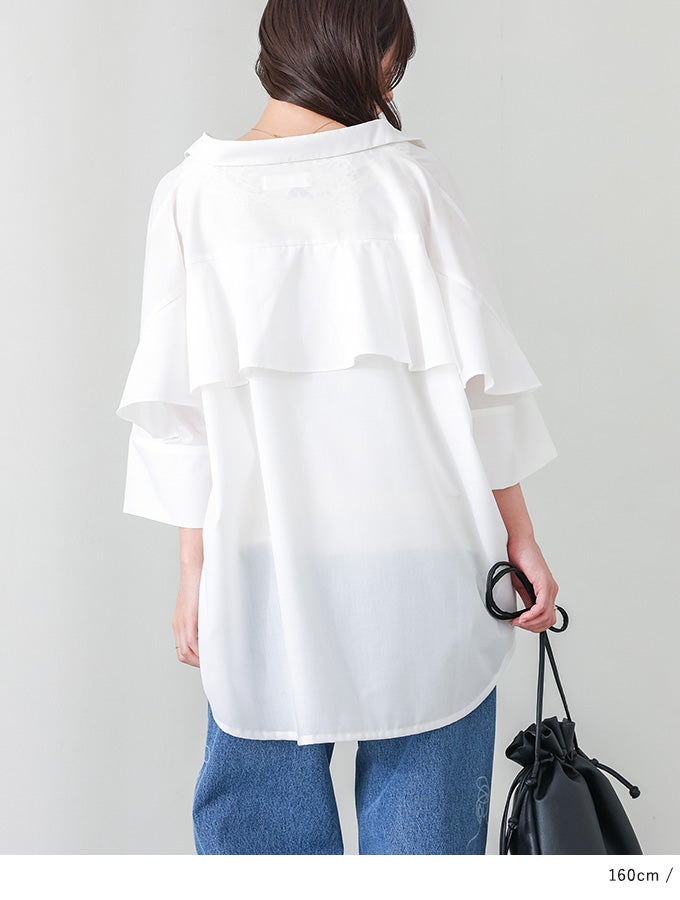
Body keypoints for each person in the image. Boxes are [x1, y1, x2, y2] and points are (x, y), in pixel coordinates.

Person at [116, 0, 560, 855]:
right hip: (425, 549)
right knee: (425, 843)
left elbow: (180, 418)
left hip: (260, 557)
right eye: (397, 58)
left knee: (263, 840)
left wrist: (193, 571)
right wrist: (521, 537)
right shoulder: (411, 180)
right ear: (372, 51)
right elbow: (484, 386)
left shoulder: (190, 196)